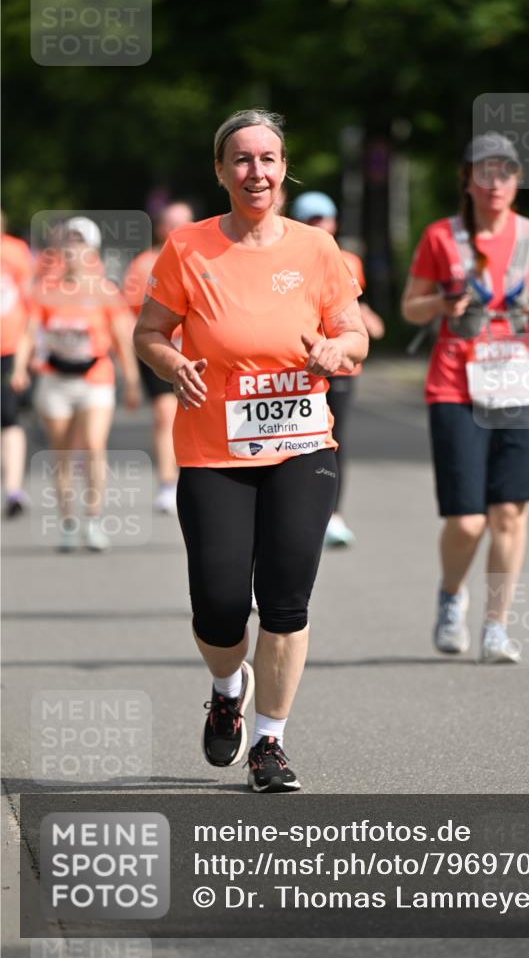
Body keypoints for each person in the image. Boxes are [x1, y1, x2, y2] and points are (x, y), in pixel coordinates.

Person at [133, 109, 368, 792]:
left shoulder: (316, 250)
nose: (255, 172)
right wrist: (170, 362)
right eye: (240, 160)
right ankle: (225, 685)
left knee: (287, 603)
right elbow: (149, 331)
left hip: (301, 445)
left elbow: (353, 335)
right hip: (214, 451)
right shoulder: (188, 247)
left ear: (283, 166)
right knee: (219, 604)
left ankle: (270, 743)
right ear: (220, 171)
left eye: (266, 159)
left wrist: (335, 349)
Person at [401, 132, 529, 663]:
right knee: (468, 519)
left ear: (517, 181)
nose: (495, 183)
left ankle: (497, 626)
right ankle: (451, 596)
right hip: (455, 385)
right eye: (484, 172)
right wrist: (442, 304)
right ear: (467, 180)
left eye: (506, 172)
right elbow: (410, 308)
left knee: (510, 514)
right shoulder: (440, 237)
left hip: (519, 383)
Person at [11, 217, 141, 551]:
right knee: (63, 454)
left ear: (91, 250)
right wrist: (20, 369)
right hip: (55, 380)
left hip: (95, 378)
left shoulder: (104, 292)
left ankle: (94, 519)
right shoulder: (45, 291)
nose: (72, 252)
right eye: (67, 245)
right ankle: (69, 522)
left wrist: (131, 381)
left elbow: (121, 340)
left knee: (94, 447)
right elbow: (28, 333)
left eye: (79, 244)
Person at [291, 191, 385, 546]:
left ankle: (334, 515)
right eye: (311, 219)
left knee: (334, 444)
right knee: (295, 443)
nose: (319, 225)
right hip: (299, 366)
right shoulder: (285, 258)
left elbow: (349, 304)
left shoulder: (349, 261)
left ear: (334, 222)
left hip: (340, 368)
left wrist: (367, 319)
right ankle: (296, 516)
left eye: (324, 219)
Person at [122, 202, 195, 514]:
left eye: (183, 222)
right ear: (160, 226)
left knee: (199, 416)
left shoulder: (204, 257)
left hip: (201, 355)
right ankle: (168, 482)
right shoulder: (144, 264)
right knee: (166, 415)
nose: (175, 228)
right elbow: (129, 316)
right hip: (163, 352)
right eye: (170, 222)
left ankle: (201, 474)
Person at [1, 214, 33, 517]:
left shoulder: (15, 252)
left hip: (8, 349)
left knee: (9, 417)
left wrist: (23, 361)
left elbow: (29, 305)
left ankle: (13, 489)